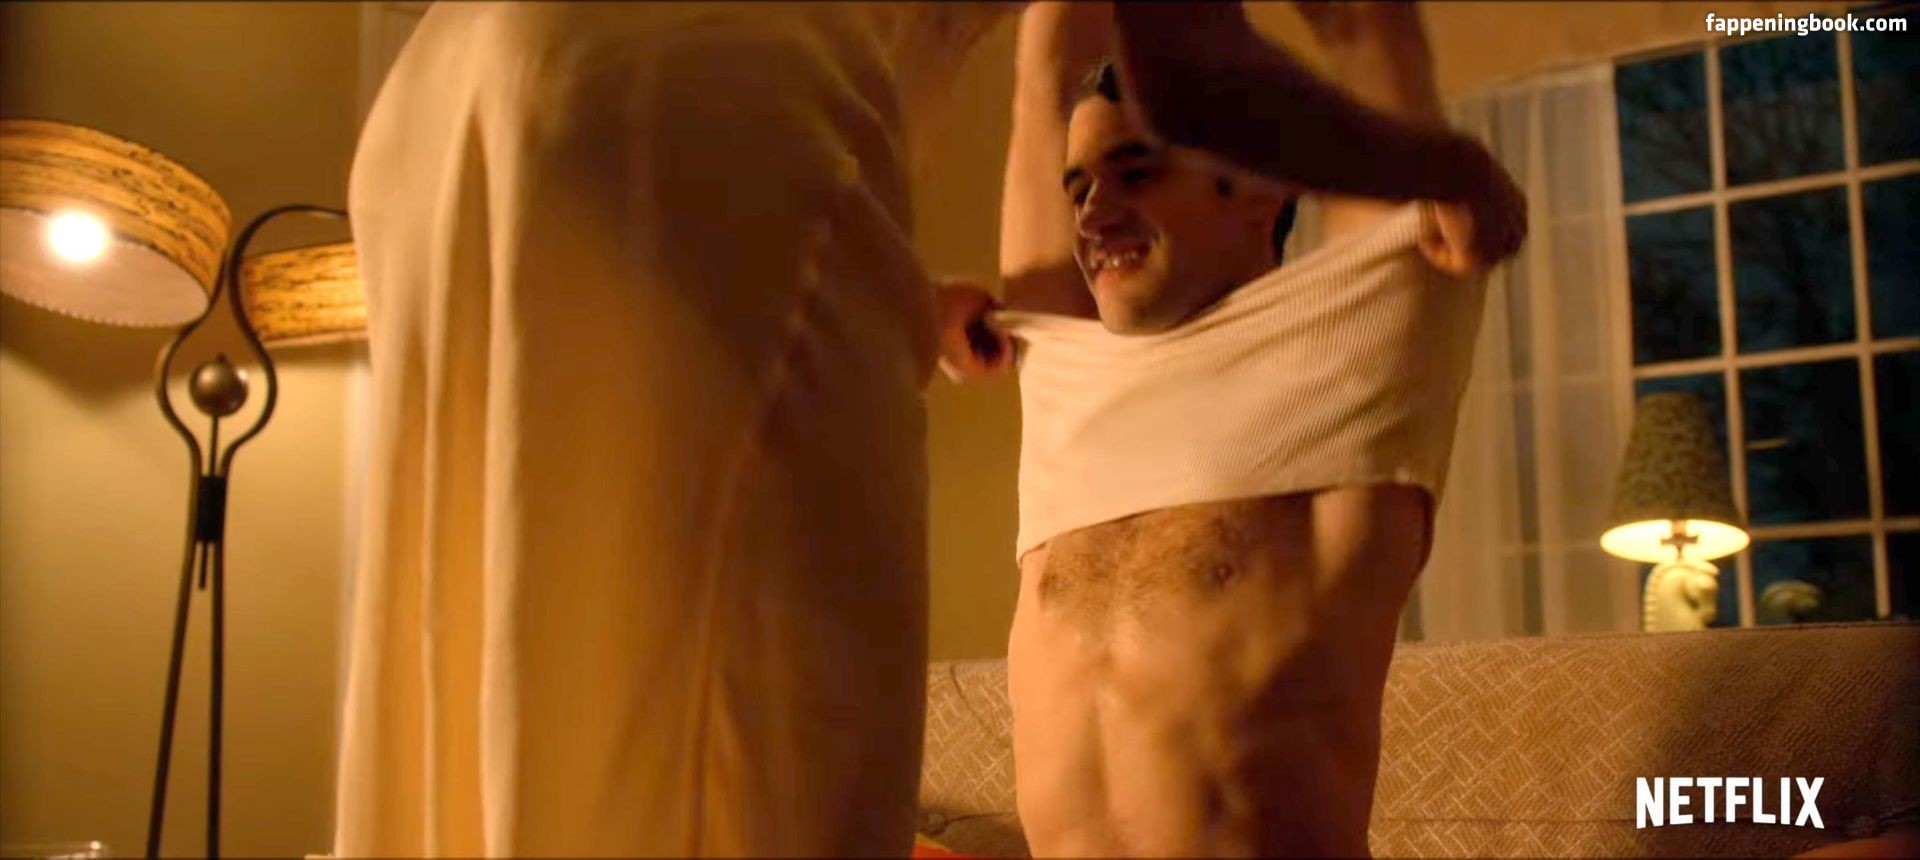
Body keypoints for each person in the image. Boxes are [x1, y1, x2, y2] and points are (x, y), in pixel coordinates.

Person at [333, 3, 1018, 855]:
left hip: (459, 84)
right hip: (702, 75)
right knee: (754, 773)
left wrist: (902, 302)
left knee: (489, 668)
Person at [952, 2, 1528, 855]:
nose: (1093, 217)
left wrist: (1451, 173)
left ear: (1260, 185)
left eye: (1136, 172)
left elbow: (1364, 29)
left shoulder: (1354, 338)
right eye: (1079, 189)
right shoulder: (1064, 367)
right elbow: (1043, 73)